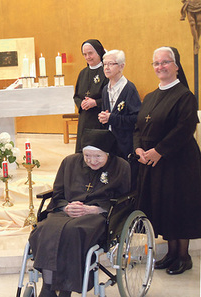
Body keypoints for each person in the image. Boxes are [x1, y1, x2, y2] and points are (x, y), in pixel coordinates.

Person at [29, 129, 130, 297]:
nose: (92, 161)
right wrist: (65, 207)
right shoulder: (69, 162)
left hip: (97, 216)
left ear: (108, 154)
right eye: (87, 156)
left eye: (98, 156)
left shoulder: (120, 167)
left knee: (73, 232)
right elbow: (58, 194)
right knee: (43, 229)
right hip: (65, 212)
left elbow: (123, 199)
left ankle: (65, 289)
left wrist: (96, 209)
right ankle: (48, 287)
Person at [134, 46, 201, 275]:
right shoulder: (151, 96)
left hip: (179, 163)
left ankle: (183, 256)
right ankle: (171, 254)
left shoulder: (184, 96)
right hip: (155, 163)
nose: (160, 67)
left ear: (176, 66)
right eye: (156, 63)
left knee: (179, 207)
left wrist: (159, 150)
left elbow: (185, 128)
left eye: (165, 62)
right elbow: (138, 126)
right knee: (165, 208)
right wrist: (139, 148)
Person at [98, 50, 141, 190]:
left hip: (125, 142)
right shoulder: (105, 89)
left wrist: (112, 118)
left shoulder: (129, 89)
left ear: (121, 66)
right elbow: (108, 115)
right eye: (104, 64)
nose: (106, 67)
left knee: (127, 180)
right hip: (111, 142)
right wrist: (104, 118)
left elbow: (136, 119)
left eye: (111, 64)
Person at [73, 39, 108, 153]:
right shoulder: (83, 73)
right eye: (85, 54)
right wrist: (81, 103)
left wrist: (95, 103)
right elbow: (76, 96)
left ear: (99, 52)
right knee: (82, 151)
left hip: (99, 119)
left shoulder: (106, 71)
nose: (88, 57)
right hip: (84, 119)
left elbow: (111, 97)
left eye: (90, 53)